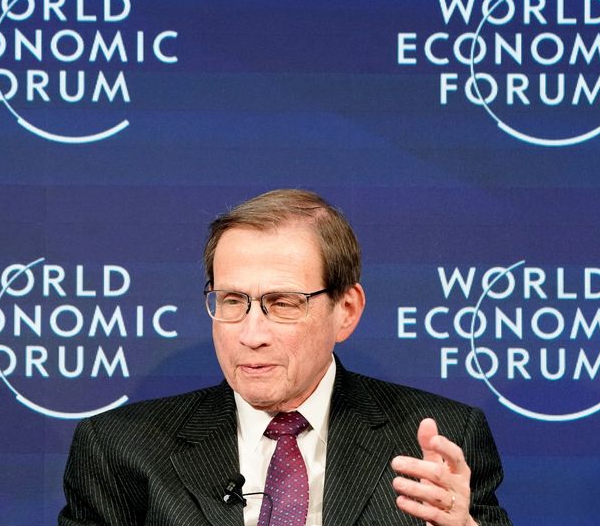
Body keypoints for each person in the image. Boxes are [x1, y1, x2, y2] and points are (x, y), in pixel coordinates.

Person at [59, 189, 512, 526]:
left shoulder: (437, 447)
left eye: (283, 303)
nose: (251, 334)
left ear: (345, 311)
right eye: (233, 300)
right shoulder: (120, 449)